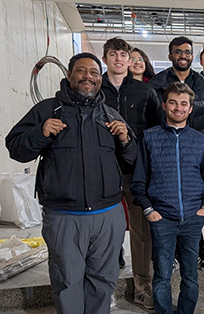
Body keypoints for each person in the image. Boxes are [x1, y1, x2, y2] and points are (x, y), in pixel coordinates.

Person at [5, 52, 137, 314]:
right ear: (69, 75)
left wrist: (126, 141)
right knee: (67, 280)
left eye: (94, 73)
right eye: (81, 71)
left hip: (107, 215)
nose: (88, 77)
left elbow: (132, 161)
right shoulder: (48, 109)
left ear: (100, 79)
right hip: (64, 216)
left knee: (103, 279)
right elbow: (15, 148)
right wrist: (40, 132)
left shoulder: (110, 114)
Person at [131, 82, 204, 314]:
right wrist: (149, 210)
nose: (178, 108)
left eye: (184, 104)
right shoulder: (149, 138)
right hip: (162, 219)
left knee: (190, 275)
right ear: (164, 105)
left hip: (192, 218)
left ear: (190, 109)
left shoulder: (200, 140)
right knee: (162, 275)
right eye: (173, 103)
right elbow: (138, 182)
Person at [100, 37, 161, 309]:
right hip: (100, 172)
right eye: (113, 54)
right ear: (105, 59)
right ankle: (104, 287)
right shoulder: (94, 90)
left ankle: (142, 286)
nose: (119, 59)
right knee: (105, 233)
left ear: (129, 59)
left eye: (123, 54)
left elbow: (156, 131)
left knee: (141, 232)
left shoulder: (143, 91)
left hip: (135, 172)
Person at [149, 36, 204, 270]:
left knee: (193, 205)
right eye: (178, 51)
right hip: (166, 150)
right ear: (170, 56)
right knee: (170, 205)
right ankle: (169, 258)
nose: (183, 55)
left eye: (187, 52)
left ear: (192, 55)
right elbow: (151, 115)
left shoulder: (202, 83)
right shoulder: (158, 82)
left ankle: (197, 254)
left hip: (196, 150)